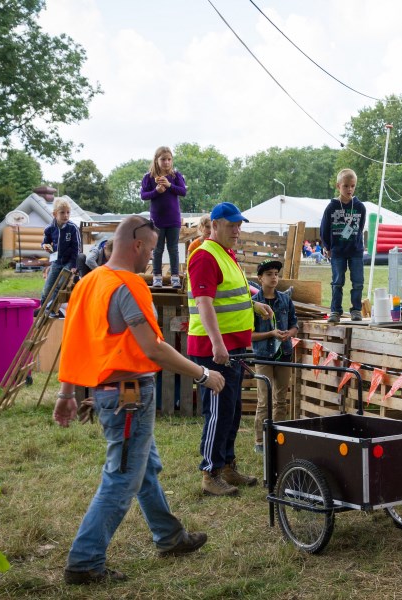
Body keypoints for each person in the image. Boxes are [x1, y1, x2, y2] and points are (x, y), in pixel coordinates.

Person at [53, 215, 226, 585]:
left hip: (110, 393)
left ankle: (169, 536)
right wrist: (203, 375)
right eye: (150, 249)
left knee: (143, 467)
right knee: (121, 478)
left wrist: (66, 392)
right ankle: (84, 562)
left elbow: (73, 341)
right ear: (136, 245)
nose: (153, 256)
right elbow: (155, 348)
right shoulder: (128, 285)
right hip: (128, 396)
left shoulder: (89, 283)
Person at [187, 201, 274, 496]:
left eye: (239, 225)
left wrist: (254, 303)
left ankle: (227, 465)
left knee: (232, 410)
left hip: (233, 347)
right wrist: (218, 344)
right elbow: (204, 303)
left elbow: (228, 295)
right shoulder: (204, 256)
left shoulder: (226, 254)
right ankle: (210, 473)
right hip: (214, 349)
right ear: (215, 224)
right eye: (232, 225)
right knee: (218, 412)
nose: (238, 230)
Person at [251, 259, 298, 454]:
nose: (274, 278)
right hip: (263, 356)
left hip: (284, 354)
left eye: (276, 274)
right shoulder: (254, 304)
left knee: (280, 399)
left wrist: (290, 333)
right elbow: (249, 335)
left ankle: (279, 437)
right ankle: (260, 440)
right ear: (260, 278)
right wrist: (271, 334)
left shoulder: (285, 299)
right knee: (264, 400)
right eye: (269, 274)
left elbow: (295, 324)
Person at [320, 168, 366, 323]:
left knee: (358, 281)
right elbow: (324, 229)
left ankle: (356, 310)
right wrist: (327, 247)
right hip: (337, 252)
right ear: (338, 186)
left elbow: (360, 228)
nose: (349, 189)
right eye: (346, 186)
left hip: (356, 251)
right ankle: (335, 311)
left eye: (352, 186)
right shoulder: (331, 207)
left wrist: (356, 243)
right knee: (338, 281)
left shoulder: (360, 207)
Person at [141, 146, 186, 289]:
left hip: (173, 219)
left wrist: (169, 185)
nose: (166, 162)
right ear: (156, 160)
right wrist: (156, 191)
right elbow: (144, 195)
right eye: (163, 159)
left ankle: (174, 277)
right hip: (157, 220)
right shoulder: (148, 177)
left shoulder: (175, 176)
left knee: (173, 249)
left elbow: (183, 191)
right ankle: (157, 277)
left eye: (169, 159)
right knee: (158, 249)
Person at [40, 198, 81, 316]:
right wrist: (45, 246)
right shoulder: (49, 228)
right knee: (48, 287)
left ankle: (51, 309)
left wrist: (74, 265)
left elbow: (76, 248)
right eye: (62, 212)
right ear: (54, 214)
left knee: (60, 284)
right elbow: (44, 242)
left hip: (69, 261)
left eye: (68, 212)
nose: (66, 215)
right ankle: (43, 310)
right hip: (56, 261)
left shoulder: (72, 228)